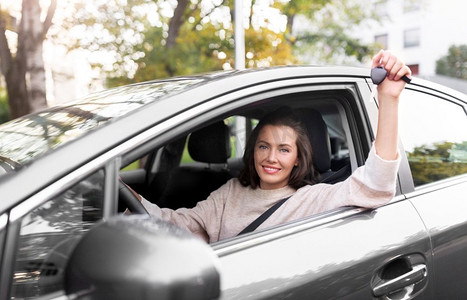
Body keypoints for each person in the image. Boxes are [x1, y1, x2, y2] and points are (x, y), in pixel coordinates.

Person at [135, 50, 411, 243]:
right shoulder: (231, 192)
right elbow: (182, 224)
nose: (270, 158)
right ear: (252, 150)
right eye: (263, 146)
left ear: (298, 160)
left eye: (284, 149)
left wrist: (389, 98)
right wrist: (120, 192)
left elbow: (376, 185)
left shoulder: (312, 198)